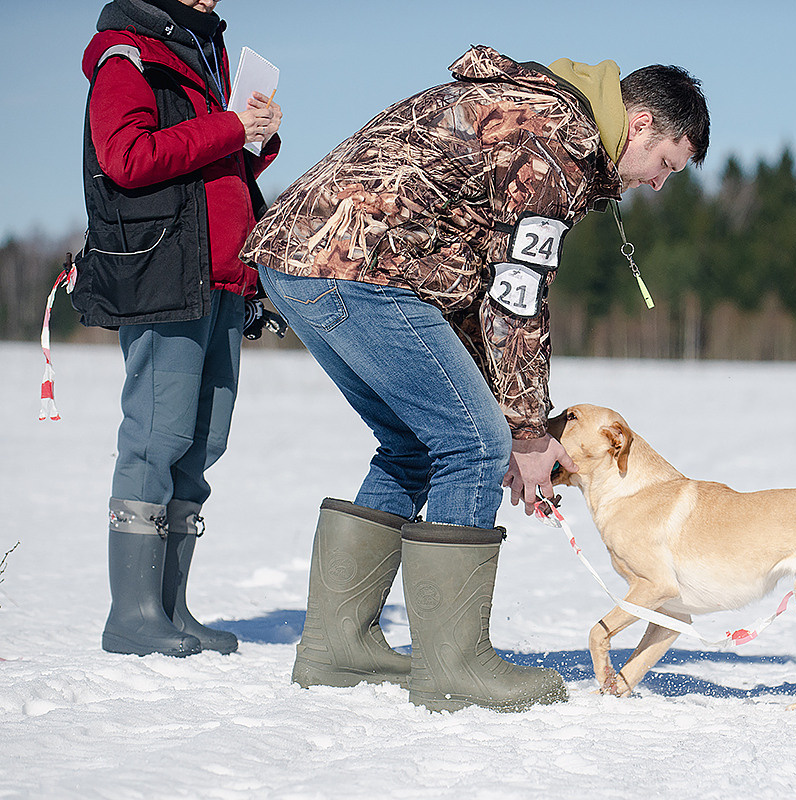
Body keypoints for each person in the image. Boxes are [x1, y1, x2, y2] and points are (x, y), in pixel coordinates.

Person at [240, 45, 709, 712]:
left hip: (303, 259)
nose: (659, 184)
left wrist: (514, 419)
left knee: (416, 442)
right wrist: (524, 433)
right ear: (639, 125)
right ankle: (453, 664)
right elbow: (518, 298)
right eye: (666, 164)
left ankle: (338, 646)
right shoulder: (559, 144)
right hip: (357, 265)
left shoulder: (537, 112)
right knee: (473, 442)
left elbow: (478, 280)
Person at [76, 0, 282, 657]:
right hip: (166, 276)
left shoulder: (204, 56)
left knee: (200, 447)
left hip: (222, 278)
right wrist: (229, 126)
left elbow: (210, 169)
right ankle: (132, 615)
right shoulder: (127, 56)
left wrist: (254, 139)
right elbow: (126, 158)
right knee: (156, 439)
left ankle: (170, 608)